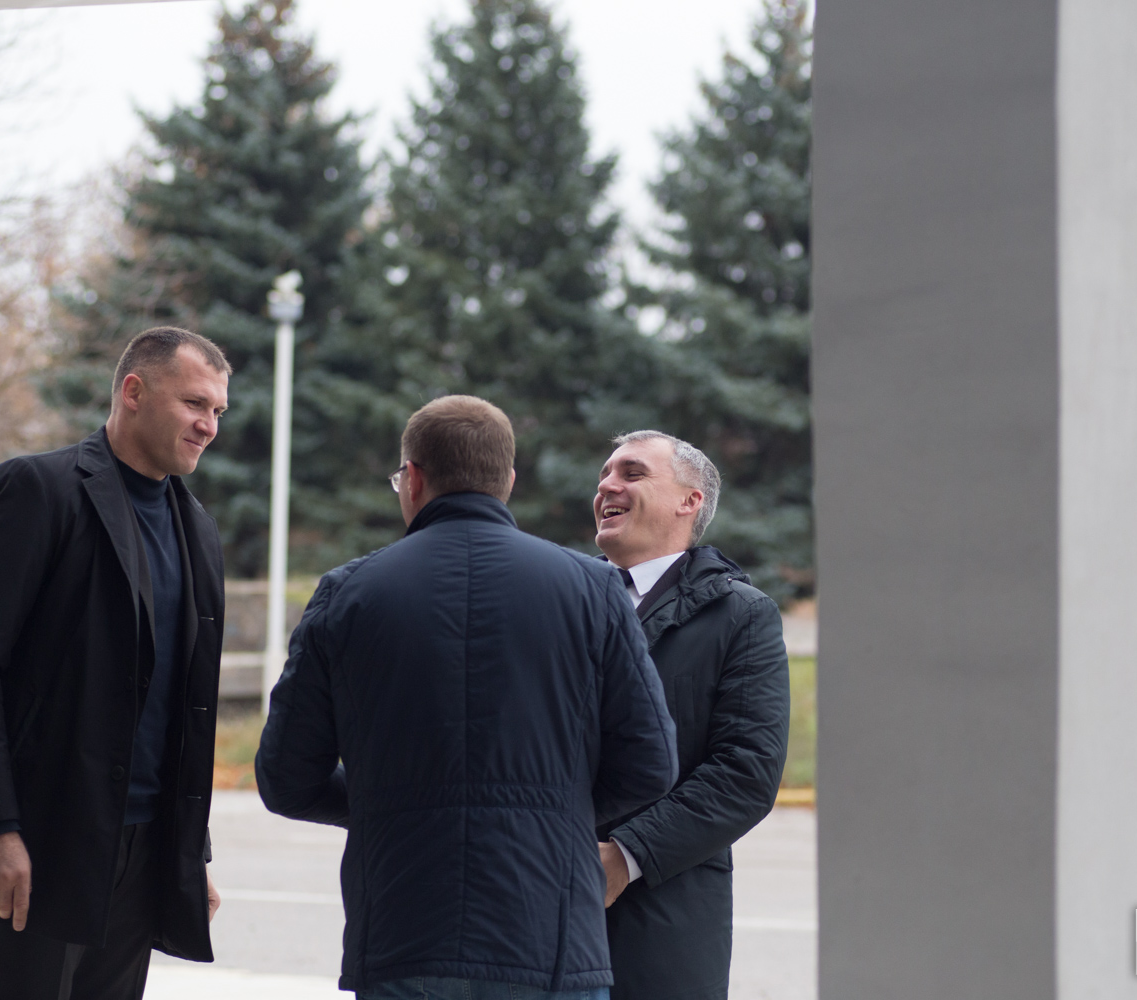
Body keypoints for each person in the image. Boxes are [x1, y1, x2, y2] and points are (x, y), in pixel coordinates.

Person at [256, 394, 678, 1000]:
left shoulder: (347, 594)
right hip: (549, 938)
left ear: (414, 479)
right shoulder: (594, 589)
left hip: (403, 933)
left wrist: (390, 798)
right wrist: (550, 806)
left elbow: (286, 778)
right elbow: (650, 764)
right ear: (507, 481)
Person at [0, 327, 232, 1000]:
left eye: (219, 410)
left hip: (144, 850)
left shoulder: (196, 527)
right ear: (134, 392)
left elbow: (181, 705)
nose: (210, 425)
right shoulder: (36, 489)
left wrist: (188, 853)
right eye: (195, 403)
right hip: (41, 841)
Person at [593, 430, 790, 1000]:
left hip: (662, 925)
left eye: (632, 473)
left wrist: (624, 856)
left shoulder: (740, 616)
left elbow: (745, 774)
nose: (607, 486)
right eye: (604, 475)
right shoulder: (556, 601)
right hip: (536, 912)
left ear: (689, 500)